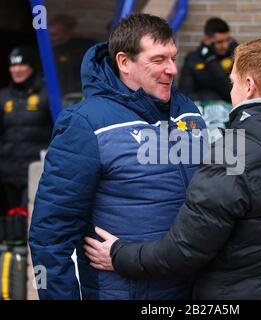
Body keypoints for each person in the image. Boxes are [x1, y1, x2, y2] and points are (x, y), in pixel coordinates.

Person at [84, 39, 261, 300]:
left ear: (249, 86)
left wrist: (119, 255)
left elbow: (184, 251)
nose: (231, 91)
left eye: (233, 82)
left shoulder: (233, 151)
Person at [29, 13, 206, 300]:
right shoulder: (85, 123)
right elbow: (50, 235)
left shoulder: (187, 110)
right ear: (124, 62)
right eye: (158, 60)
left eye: (173, 57)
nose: (172, 69)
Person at [0, 46, 52, 210]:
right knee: (12, 221)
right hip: (8, 172)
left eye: (22, 65)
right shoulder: (3, 96)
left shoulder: (47, 93)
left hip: (36, 170)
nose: (17, 69)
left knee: (29, 217)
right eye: (13, 65)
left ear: (31, 66)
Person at [178, 17, 237, 102]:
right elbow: (185, 94)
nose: (225, 46)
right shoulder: (193, 59)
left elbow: (233, 93)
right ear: (206, 40)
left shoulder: (236, 56)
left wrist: (212, 61)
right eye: (220, 42)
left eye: (228, 40)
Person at [49, 14, 96, 96]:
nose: (50, 38)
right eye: (48, 34)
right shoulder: (47, 50)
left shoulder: (81, 50)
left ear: (67, 34)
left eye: (54, 34)